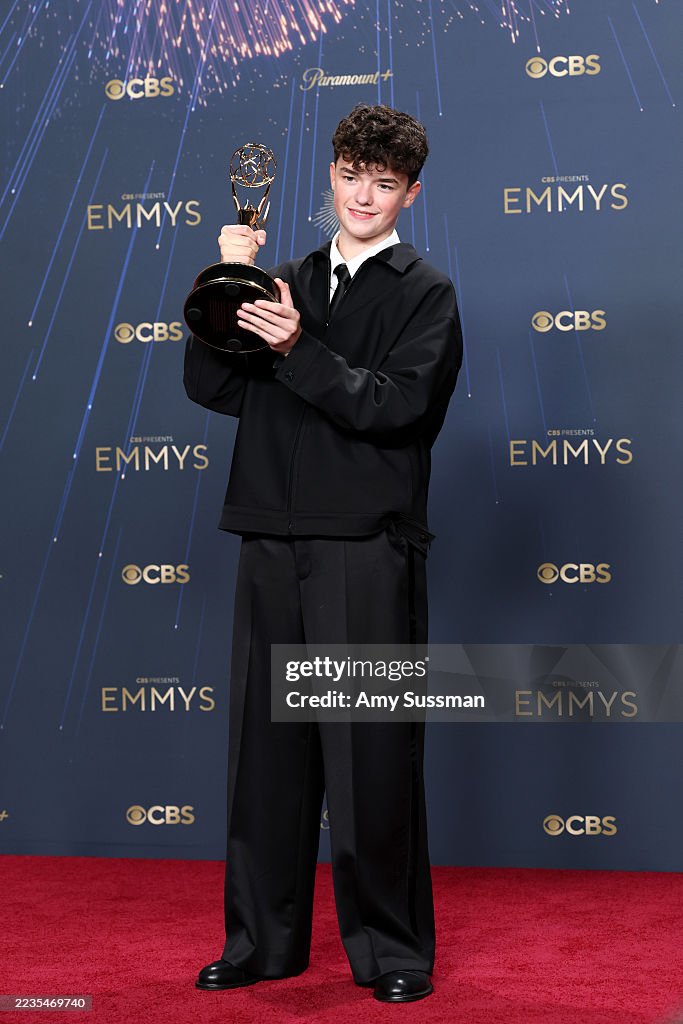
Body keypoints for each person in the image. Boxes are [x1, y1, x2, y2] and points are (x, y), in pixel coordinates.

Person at [183, 103, 463, 1003]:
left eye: (384, 184)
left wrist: (299, 347)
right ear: (331, 174)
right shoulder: (285, 277)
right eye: (350, 177)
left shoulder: (425, 292)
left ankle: (392, 952)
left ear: (410, 194)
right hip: (270, 537)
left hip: (365, 548)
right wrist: (227, 280)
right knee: (264, 759)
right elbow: (211, 386)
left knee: (371, 755)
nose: (363, 197)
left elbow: (396, 408)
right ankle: (260, 943)